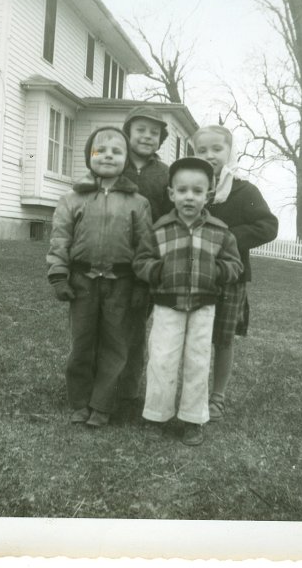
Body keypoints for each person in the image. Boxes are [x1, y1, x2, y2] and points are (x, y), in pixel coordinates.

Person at [133, 157, 243, 446]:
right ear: (171, 194)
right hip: (167, 304)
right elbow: (141, 261)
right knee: (162, 358)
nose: (189, 197)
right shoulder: (159, 228)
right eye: (182, 190)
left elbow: (235, 265)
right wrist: (156, 271)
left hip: (203, 305)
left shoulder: (220, 230)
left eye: (197, 191)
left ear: (208, 195)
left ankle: (193, 419)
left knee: (197, 361)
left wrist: (217, 271)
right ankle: (156, 415)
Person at [47, 126, 151, 428]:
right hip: (82, 283)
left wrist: (142, 283)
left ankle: (102, 405)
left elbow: (145, 247)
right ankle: (79, 401)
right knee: (82, 343)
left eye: (117, 151)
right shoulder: (72, 198)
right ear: (89, 157)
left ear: (126, 159)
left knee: (115, 346)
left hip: (121, 285)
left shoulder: (137, 202)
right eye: (100, 150)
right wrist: (58, 275)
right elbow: (59, 239)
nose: (108, 155)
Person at [192, 125, 279, 422]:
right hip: (195, 276)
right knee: (196, 336)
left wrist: (228, 237)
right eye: (201, 150)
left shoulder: (243, 189)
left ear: (231, 152)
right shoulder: (191, 187)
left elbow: (268, 226)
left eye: (217, 149)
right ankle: (194, 392)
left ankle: (217, 396)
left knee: (223, 338)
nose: (210, 155)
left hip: (232, 277)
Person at [117, 105, 172, 404]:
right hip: (111, 256)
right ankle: (100, 387)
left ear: (161, 140)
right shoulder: (113, 162)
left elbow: (169, 217)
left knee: (135, 327)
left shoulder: (165, 174)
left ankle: (126, 393)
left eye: (154, 133)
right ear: (127, 133)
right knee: (109, 324)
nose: (147, 137)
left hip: (147, 261)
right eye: (140, 130)